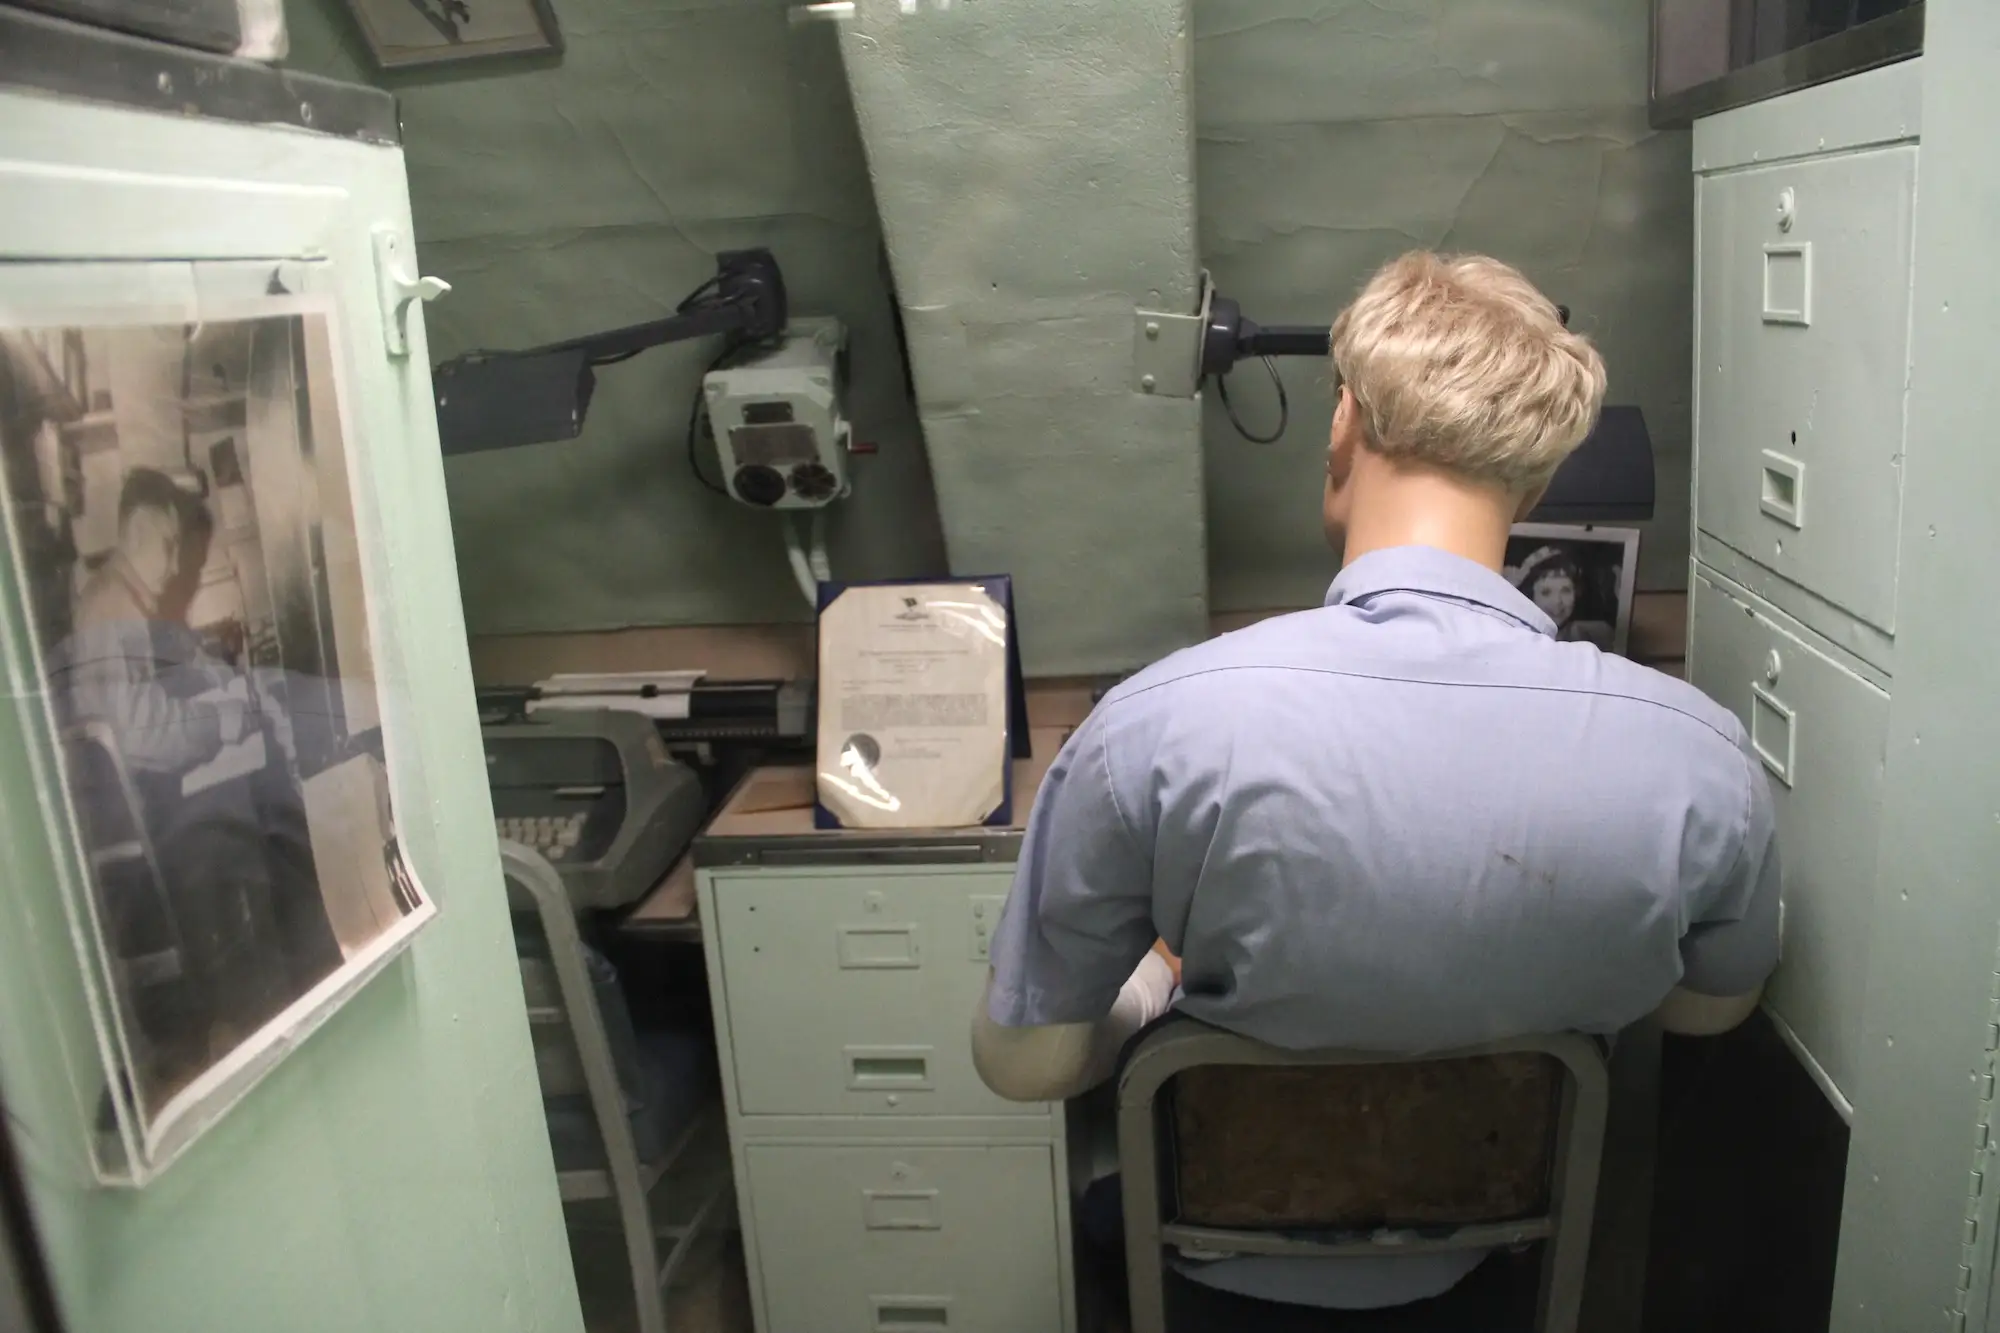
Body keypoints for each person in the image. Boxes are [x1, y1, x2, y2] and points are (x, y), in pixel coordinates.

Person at [971, 252, 1781, 1312]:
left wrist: (1154, 989)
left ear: (1343, 422)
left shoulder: (1155, 728)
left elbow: (1025, 1064)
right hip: (1504, 1281)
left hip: (1216, 1291)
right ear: (1533, 478)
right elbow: (1703, 1013)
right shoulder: (1699, 756)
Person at [49, 467, 343, 1096]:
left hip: (160, 803)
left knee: (276, 807)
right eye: (166, 543)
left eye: (181, 546)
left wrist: (216, 681)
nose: (176, 559)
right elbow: (144, 735)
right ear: (130, 531)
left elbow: (171, 676)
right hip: (153, 823)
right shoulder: (109, 607)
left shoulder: (129, 603)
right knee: (260, 818)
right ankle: (266, 1020)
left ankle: (294, 989)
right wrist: (225, 720)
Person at [1514, 543, 1613, 648]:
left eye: (1566, 591)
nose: (1557, 601)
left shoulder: (1595, 634)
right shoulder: (1517, 635)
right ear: (1531, 596)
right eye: (1546, 592)